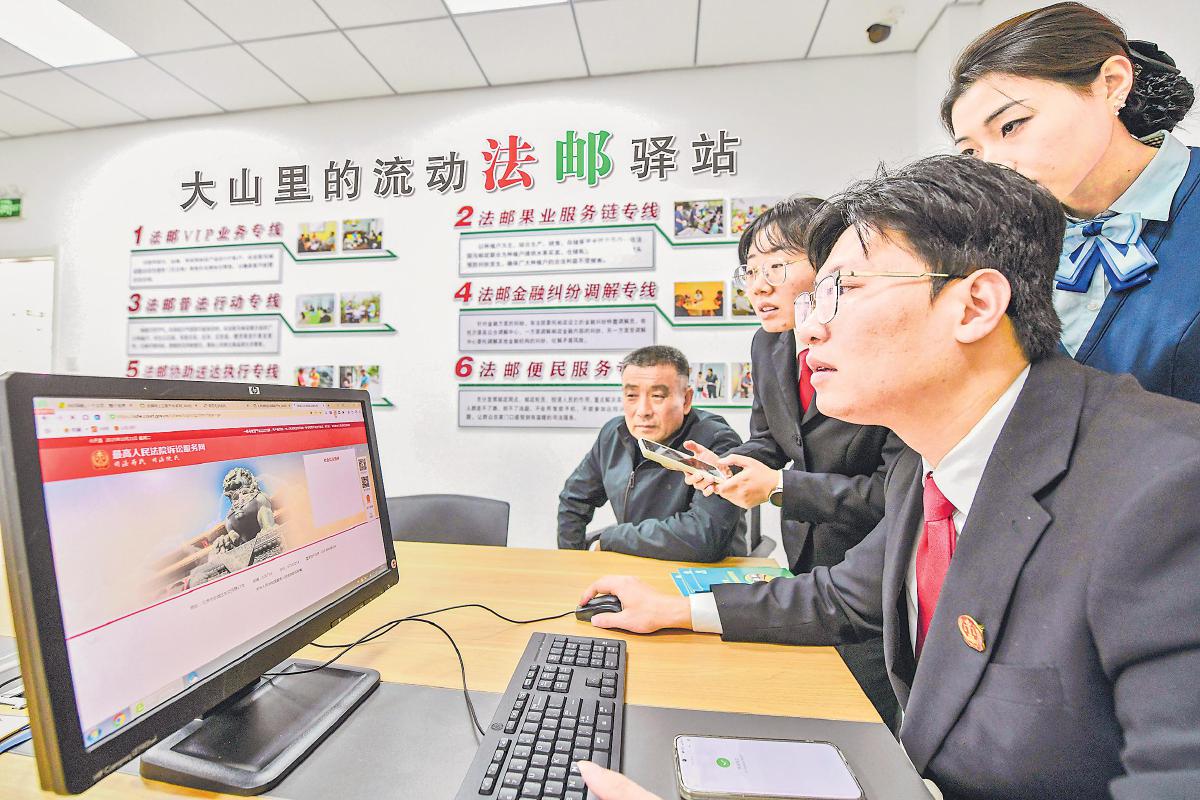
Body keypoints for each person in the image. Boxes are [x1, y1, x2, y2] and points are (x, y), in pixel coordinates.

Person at [578, 155, 1200, 800]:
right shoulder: (928, 465)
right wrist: (672, 609)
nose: (810, 326)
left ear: (974, 305)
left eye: (843, 290)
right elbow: (843, 597)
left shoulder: (1170, 490)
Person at [686, 197, 903, 728]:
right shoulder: (768, 345)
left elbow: (897, 495)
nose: (758, 287)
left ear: (831, 265)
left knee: (867, 719)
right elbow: (771, 439)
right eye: (749, 272)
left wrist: (780, 488)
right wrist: (731, 465)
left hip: (875, 574)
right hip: (803, 557)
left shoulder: (878, 348)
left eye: (776, 267)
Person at [944, 2, 1200, 402]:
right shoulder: (999, 248)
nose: (995, 166)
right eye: (972, 153)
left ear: (1111, 84)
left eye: (1012, 125)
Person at [557, 345, 746, 562]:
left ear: (686, 400)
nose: (643, 411)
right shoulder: (614, 434)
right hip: (637, 563)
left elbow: (703, 537)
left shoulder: (716, 441)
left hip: (706, 572)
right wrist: (573, 563)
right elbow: (574, 500)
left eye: (657, 396)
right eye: (631, 395)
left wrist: (611, 539)